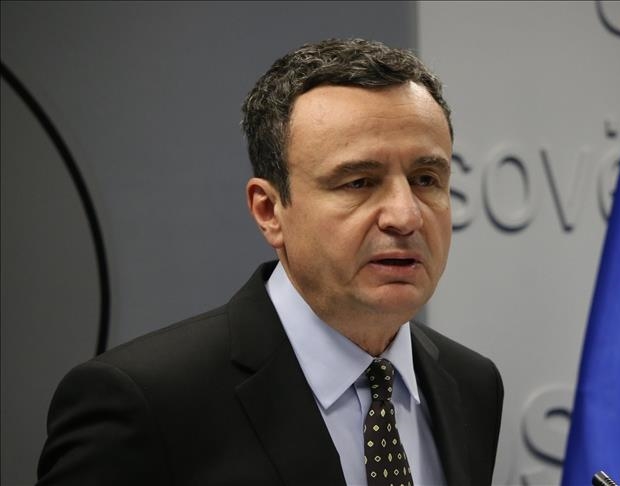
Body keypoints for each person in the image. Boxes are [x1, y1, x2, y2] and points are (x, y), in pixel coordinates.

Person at [36, 38, 503, 486]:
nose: (405, 216)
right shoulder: (146, 401)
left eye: (426, 179)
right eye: (359, 182)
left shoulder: (471, 384)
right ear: (269, 211)